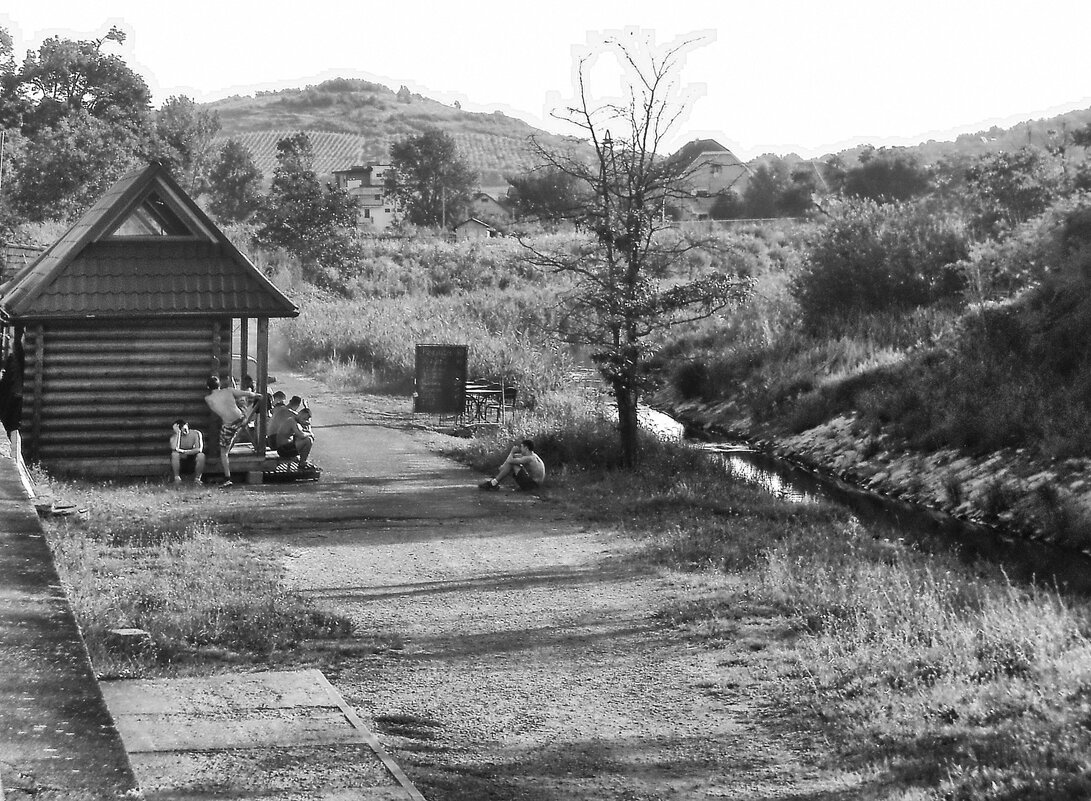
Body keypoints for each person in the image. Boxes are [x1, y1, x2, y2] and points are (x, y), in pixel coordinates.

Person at [204, 375, 262, 487]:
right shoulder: (228, 391)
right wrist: (256, 395)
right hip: (241, 419)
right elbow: (245, 393)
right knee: (241, 401)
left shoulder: (208, 399)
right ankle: (234, 439)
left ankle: (227, 478)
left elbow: (216, 410)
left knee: (223, 452)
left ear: (207, 387)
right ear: (219, 385)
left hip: (229, 425)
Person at [479, 439, 546, 492]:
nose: (520, 449)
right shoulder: (533, 456)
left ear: (526, 448)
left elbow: (511, 460)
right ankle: (495, 482)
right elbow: (513, 457)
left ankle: (494, 483)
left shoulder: (529, 458)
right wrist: (504, 465)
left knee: (513, 464)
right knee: (513, 462)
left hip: (533, 485)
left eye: (521, 447)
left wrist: (512, 451)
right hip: (535, 484)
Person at [271, 395, 314, 468]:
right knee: (308, 440)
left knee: (303, 438)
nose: (304, 421)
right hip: (283, 449)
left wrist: (306, 408)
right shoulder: (292, 421)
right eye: (303, 418)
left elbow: (307, 421)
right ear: (299, 414)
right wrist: (310, 433)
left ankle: (302, 460)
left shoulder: (296, 419)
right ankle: (302, 462)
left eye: (305, 419)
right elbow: (301, 435)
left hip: (286, 446)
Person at [0, 345, 24, 466]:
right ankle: (15, 459)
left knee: (13, 430)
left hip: (13, 401)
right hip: (13, 401)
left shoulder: (14, 362)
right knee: (13, 430)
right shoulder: (15, 361)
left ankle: (15, 460)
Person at [169, 419, 206, 483]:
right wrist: (178, 434)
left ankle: (197, 479)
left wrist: (185, 452)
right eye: (181, 430)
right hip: (181, 459)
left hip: (193, 457)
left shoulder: (196, 433)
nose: (183, 431)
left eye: (184, 429)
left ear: (187, 425)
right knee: (174, 454)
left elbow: (199, 449)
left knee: (201, 456)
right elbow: (174, 448)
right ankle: (177, 478)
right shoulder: (174, 437)